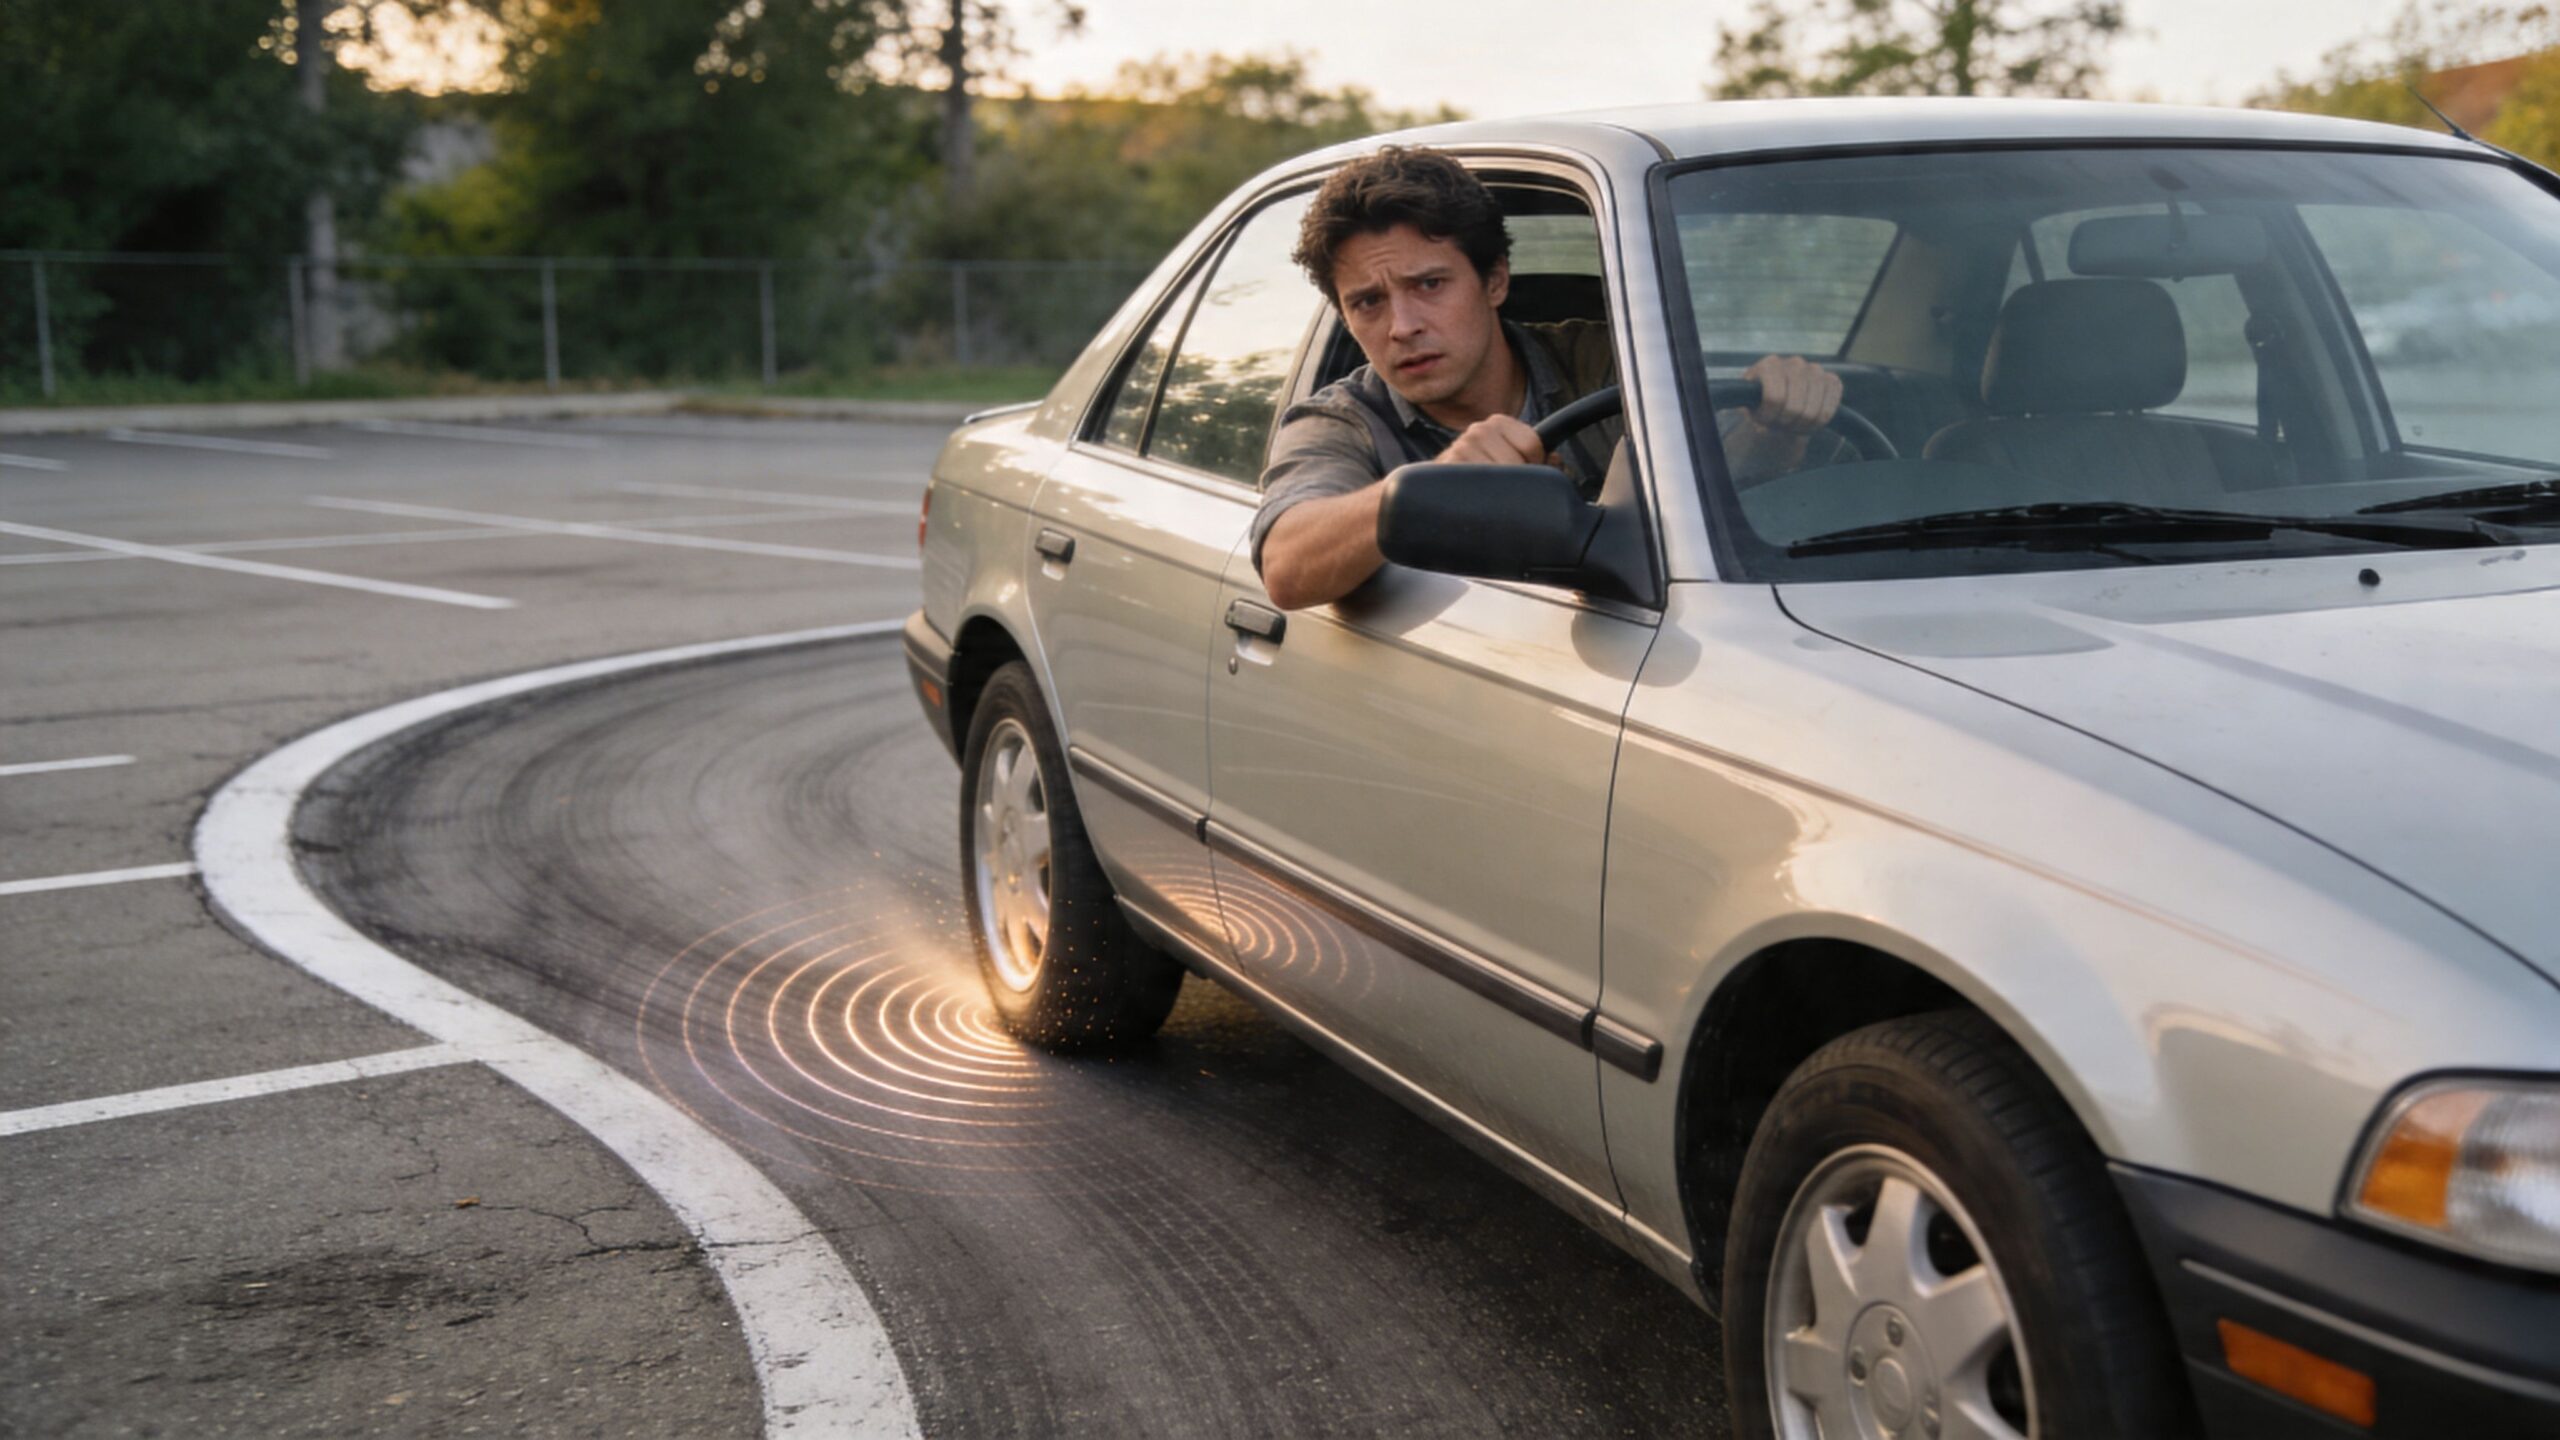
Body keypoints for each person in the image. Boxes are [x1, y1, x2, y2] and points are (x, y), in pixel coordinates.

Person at [1254, 145, 1846, 610]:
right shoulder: (1340, 419)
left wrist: (1778, 429)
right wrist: (1438, 485)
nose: (1402, 326)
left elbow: (1719, 499)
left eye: (1428, 285)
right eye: (1367, 303)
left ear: (1495, 282)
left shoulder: (1615, 363)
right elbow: (1285, 565)